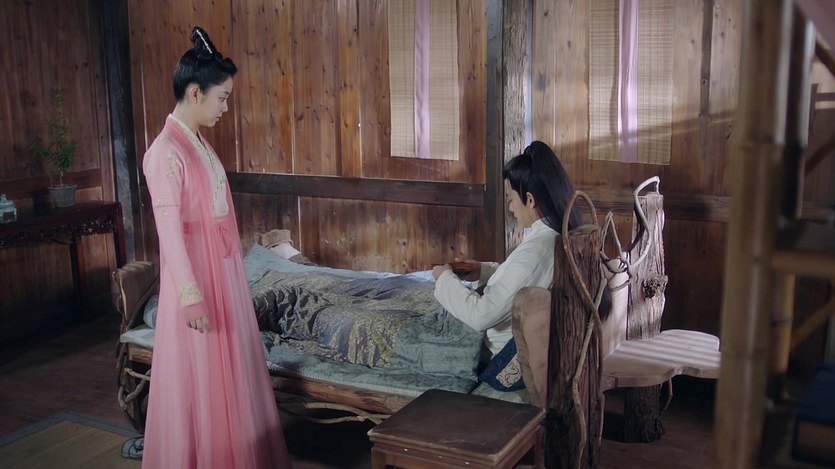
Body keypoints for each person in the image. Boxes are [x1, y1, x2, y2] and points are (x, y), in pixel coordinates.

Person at [140, 27, 292, 468]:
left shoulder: (198, 143)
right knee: (202, 379)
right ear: (195, 93)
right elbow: (170, 235)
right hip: (196, 280)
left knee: (229, 375)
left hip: (221, 274)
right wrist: (191, 298)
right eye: (222, 98)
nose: (226, 108)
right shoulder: (165, 153)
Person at [432, 141, 581, 363]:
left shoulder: (538, 251)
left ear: (529, 200)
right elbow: (524, 280)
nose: (510, 208)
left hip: (501, 356)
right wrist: (482, 271)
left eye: (511, 198)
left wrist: (444, 279)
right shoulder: (554, 237)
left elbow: (481, 315)